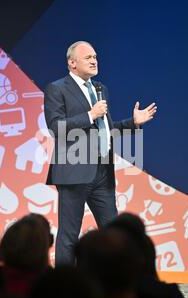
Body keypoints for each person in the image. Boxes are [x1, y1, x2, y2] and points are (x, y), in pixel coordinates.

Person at [44, 40, 157, 265]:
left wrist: (133, 123)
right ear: (72, 63)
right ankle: (64, 288)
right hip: (74, 173)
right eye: (88, 58)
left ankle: (115, 284)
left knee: (114, 234)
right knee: (69, 236)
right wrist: (89, 115)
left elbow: (106, 130)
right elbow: (56, 127)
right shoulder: (57, 88)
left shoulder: (100, 88)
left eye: (95, 57)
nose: (94, 60)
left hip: (103, 173)